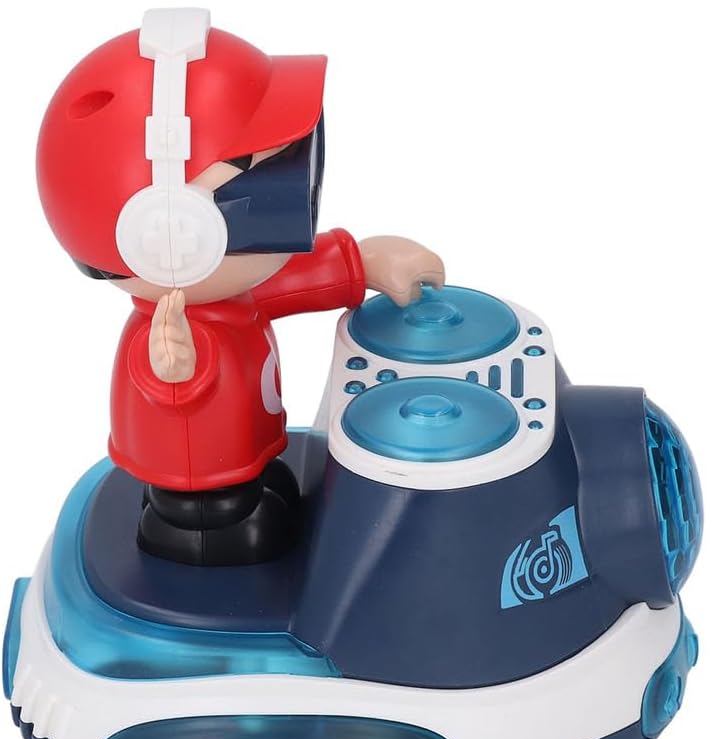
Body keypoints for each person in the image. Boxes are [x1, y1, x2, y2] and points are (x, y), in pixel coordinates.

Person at [36, 9, 445, 566]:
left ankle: (246, 485)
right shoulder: (171, 332)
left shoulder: (230, 294)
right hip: (201, 499)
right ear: (172, 231)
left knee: (272, 493)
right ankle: (197, 526)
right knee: (251, 529)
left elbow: (293, 279)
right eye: (259, 173)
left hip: (243, 462)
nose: (291, 189)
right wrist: (173, 371)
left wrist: (364, 261)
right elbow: (165, 383)